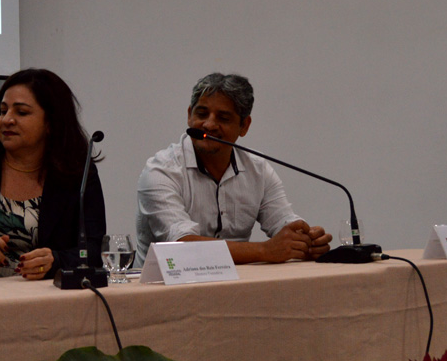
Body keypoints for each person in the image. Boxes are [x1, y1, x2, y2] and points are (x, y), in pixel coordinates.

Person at [135, 72, 331, 265]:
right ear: (189, 116)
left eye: (223, 118)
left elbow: (283, 222)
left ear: (244, 126)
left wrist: (306, 240)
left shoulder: (258, 170)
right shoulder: (160, 172)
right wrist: (265, 250)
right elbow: (182, 246)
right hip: (163, 283)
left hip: (238, 283)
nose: (209, 125)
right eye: (201, 114)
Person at [0, 68, 105, 280]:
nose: (6, 120)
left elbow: (94, 252)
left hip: (51, 296)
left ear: (51, 123)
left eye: (21, 112)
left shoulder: (79, 175)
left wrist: (56, 261)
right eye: (3, 111)